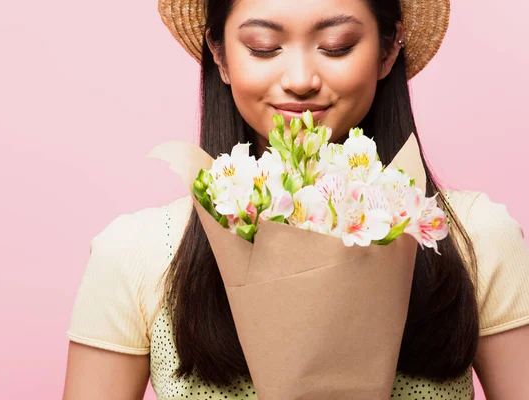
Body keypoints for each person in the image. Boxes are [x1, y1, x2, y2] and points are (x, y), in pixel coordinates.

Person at [62, 0, 529, 398]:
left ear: (388, 50)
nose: (301, 78)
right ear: (220, 56)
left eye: (337, 46)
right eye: (264, 48)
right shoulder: (136, 252)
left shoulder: (476, 237)